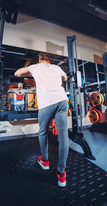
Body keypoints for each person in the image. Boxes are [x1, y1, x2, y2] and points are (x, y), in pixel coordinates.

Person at [14, 54, 69, 187]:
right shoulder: (56, 67)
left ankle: (45, 161)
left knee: (43, 131)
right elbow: (65, 77)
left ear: (39, 60)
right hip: (62, 100)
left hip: (47, 103)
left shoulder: (36, 67)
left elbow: (17, 73)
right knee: (63, 137)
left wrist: (30, 71)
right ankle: (61, 173)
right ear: (49, 61)